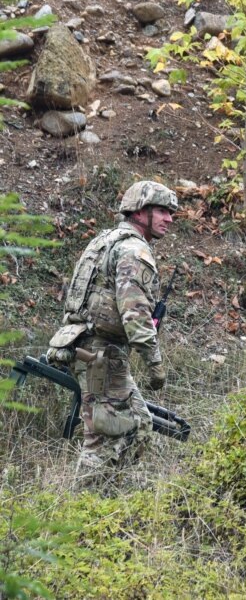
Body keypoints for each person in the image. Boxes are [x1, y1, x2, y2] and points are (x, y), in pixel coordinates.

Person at [45, 180, 177, 487]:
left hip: (92, 347)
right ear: (139, 211)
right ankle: (82, 511)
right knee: (105, 435)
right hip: (101, 352)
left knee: (139, 425)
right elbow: (134, 312)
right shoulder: (133, 249)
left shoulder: (107, 240)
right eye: (161, 211)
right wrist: (154, 362)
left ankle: (108, 500)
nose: (169, 219)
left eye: (170, 213)